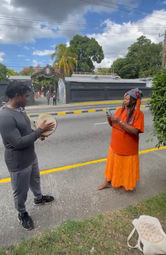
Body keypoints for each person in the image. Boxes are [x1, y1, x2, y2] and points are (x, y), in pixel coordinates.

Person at [0, 83, 55, 230]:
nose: (28, 98)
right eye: (26, 96)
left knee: (35, 179)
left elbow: (26, 129)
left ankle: (38, 198)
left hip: (31, 156)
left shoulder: (20, 110)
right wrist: (38, 132)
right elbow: (17, 142)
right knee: (20, 191)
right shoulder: (5, 116)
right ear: (17, 96)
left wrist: (39, 134)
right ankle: (22, 213)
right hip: (18, 162)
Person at [98, 88, 144, 194]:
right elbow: (113, 125)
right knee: (112, 166)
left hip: (127, 148)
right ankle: (108, 182)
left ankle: (123, 184)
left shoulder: (138, 114)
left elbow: (135, 131)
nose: (124, 100)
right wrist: (109, 119)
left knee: (124, 168)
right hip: (114, 145)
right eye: (124, 98)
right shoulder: (120, 110)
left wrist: (119, 121)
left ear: (133, 101)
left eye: (127, 99)